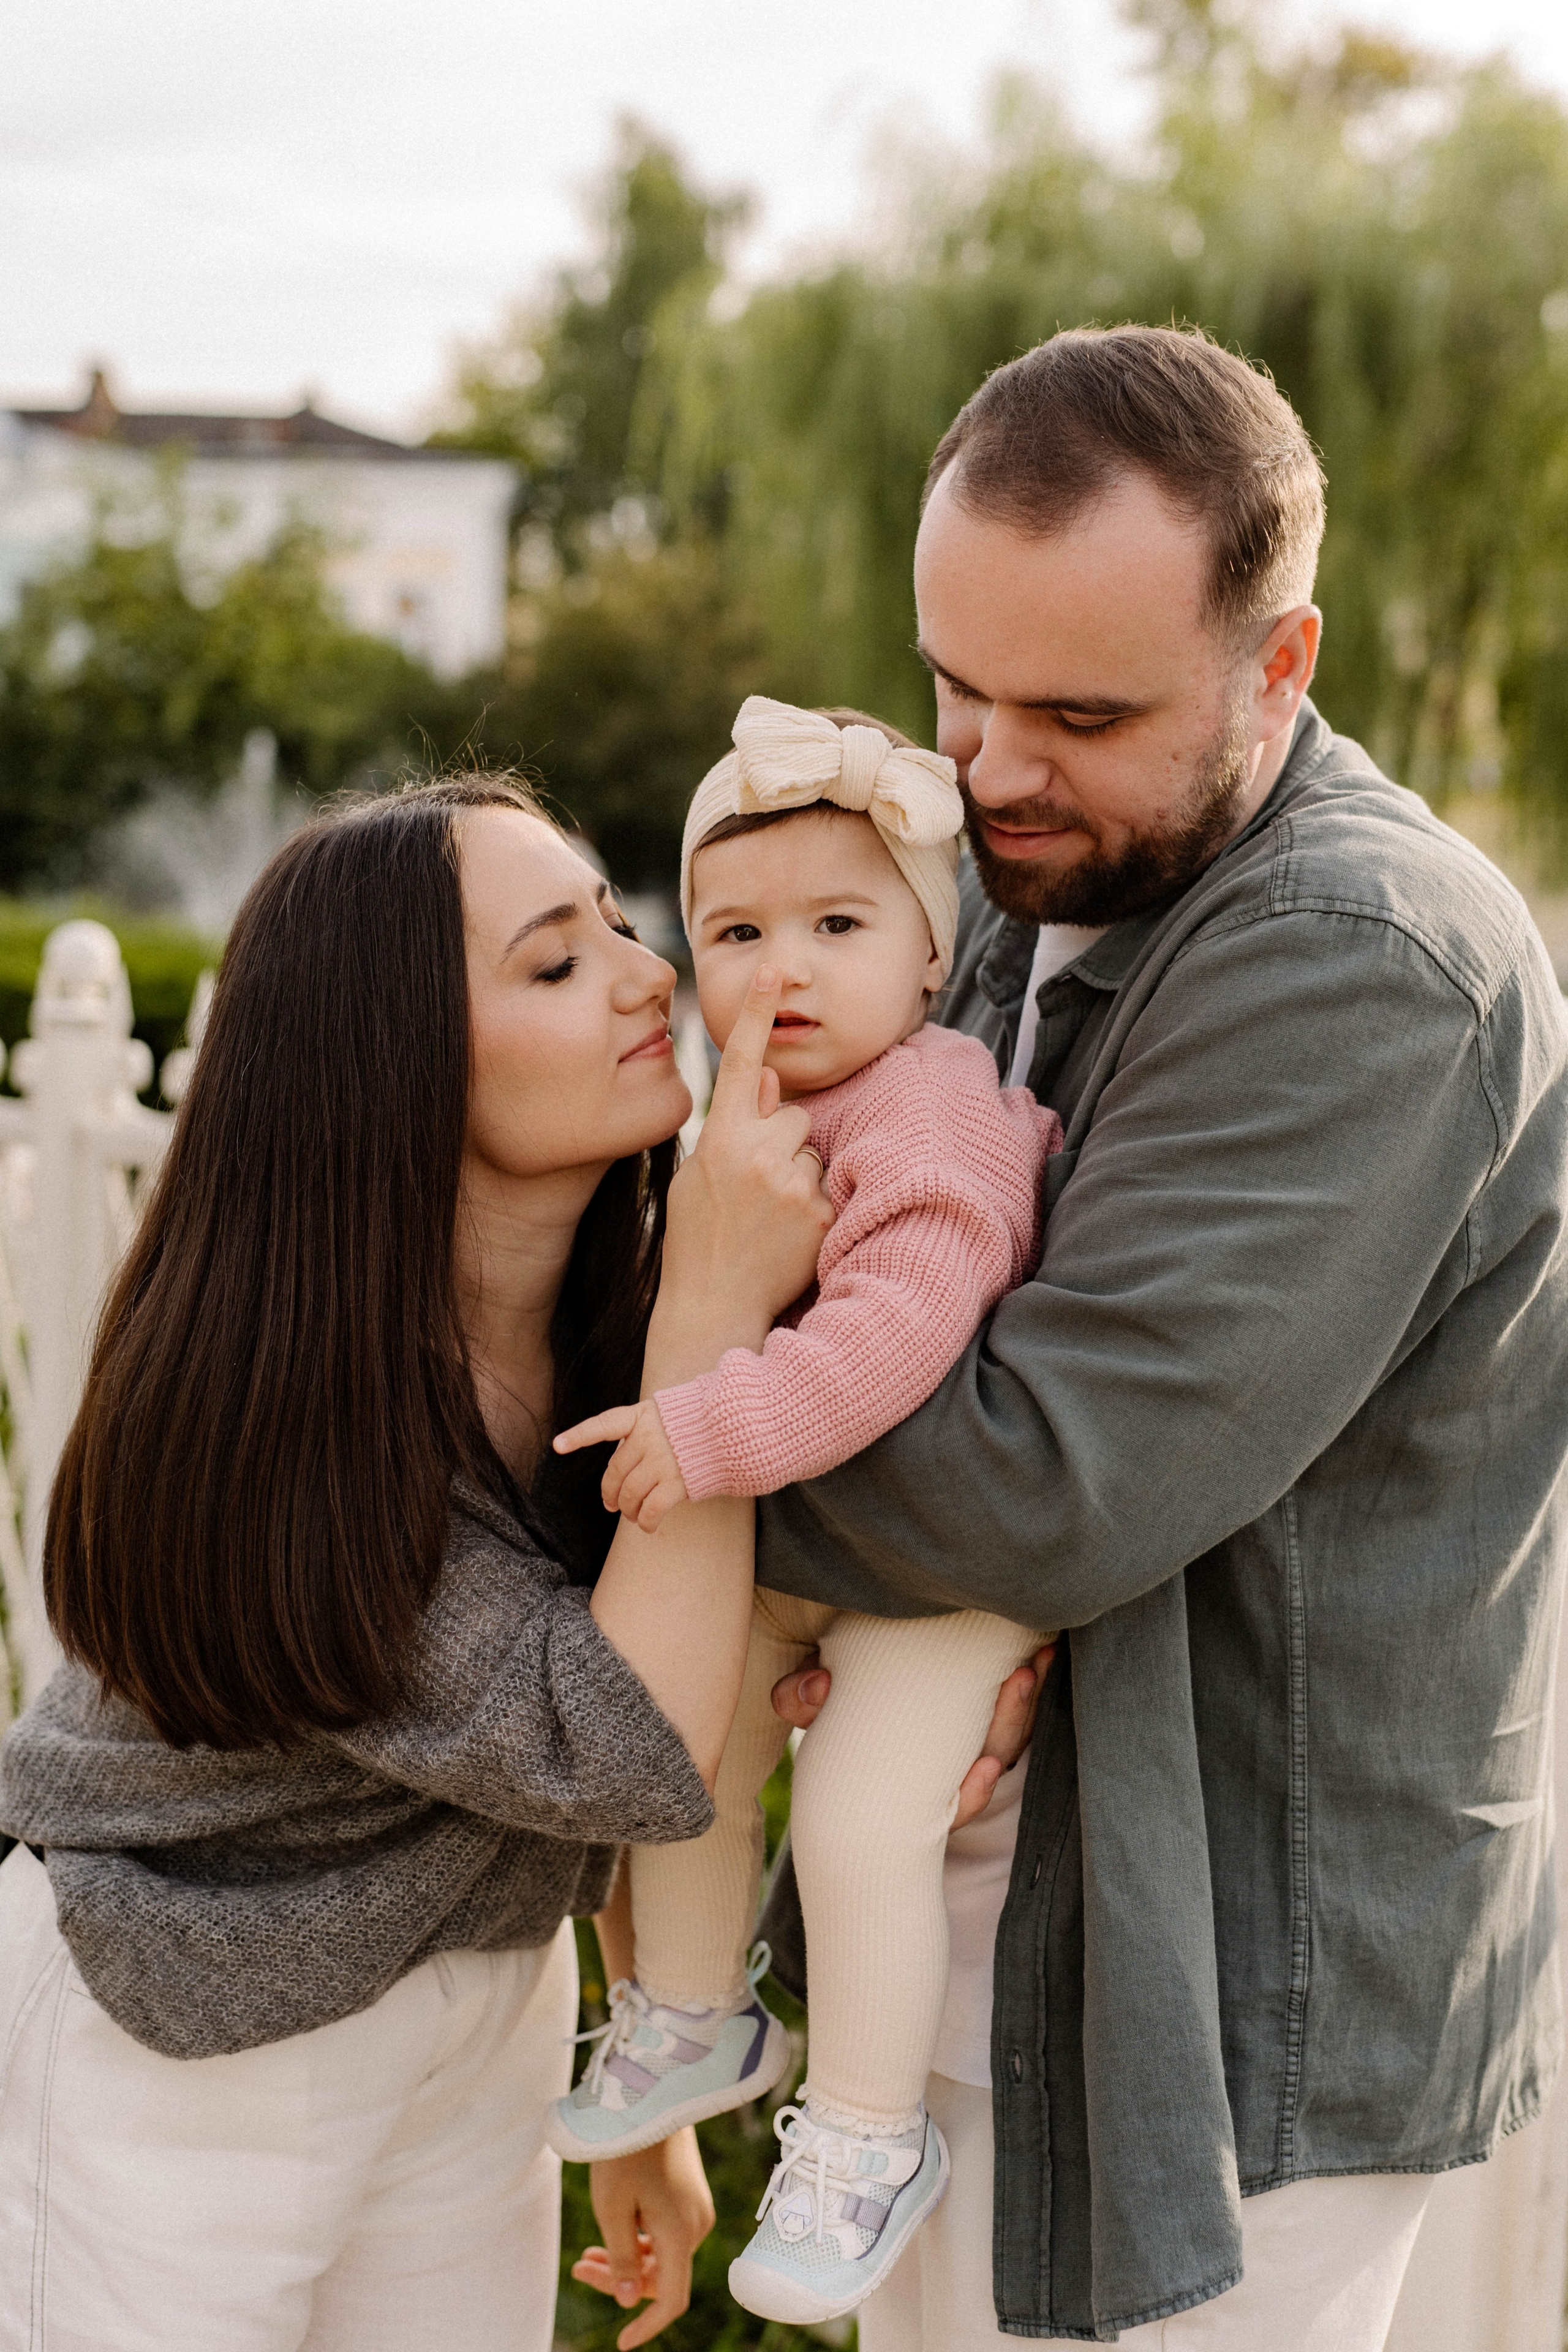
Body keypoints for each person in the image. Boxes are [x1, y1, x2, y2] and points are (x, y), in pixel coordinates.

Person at [755, 324, 1568, 2349]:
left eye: (1082, 711)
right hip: (981, 1965)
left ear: (1279, 664)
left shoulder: (1362, 958)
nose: (990, 767)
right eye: (958, 686)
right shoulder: (1015, 878)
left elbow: (1036, 1484)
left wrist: (676, 1489)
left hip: (1215, 2020)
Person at [0, 774, 837, 2352]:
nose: (649, 970)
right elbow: (622, 1739)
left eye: (610, 920)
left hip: (474, 2023)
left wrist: (640, 2084)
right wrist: (717, 1330)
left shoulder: (611, 1332)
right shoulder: (281, 1422)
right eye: (553, 961)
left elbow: (563, 1730)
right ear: (393, 1063)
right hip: (184, 2032)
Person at [546, 695, 1060, 2328]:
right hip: (804, 1541)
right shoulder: (746, 1112)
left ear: (931, 956)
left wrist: (710, 1429)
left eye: (839, 926)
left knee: (856, 1826)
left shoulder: (936, 1109)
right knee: (680, 1742)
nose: (783, 971)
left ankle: (863, 2135)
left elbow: (902, 1326)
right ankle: (693, 2009)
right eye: (738, 931)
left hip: (940, 1574)